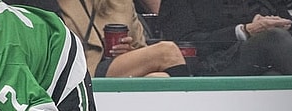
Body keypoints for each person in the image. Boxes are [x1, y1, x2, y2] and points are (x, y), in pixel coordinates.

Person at [55, 0, 192, 77]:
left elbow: (141, 47)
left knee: (160, 78)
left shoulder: (122, 3)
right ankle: (189, 106)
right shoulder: (52, 4)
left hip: (119, 69)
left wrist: (130, 54)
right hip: (83, 70)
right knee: (167, 52)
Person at [157, 0, 292, 76]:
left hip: (269, 59)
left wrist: (280, 25)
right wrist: (244, 31)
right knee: (275, 37)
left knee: (272, 76)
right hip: (212, 64)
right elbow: (184, 43)